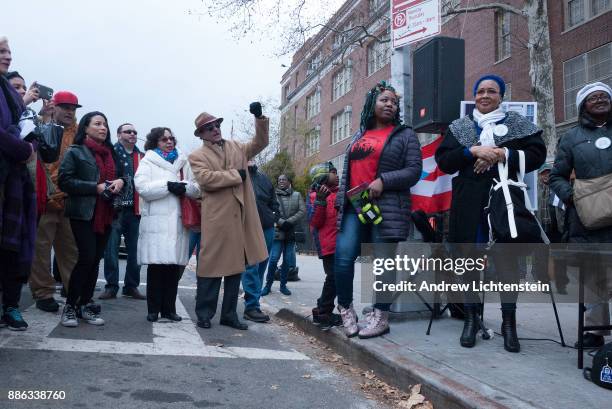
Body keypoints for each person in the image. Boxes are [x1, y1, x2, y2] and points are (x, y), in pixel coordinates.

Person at [435, 75, 546, 352]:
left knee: (507, 261)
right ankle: (471, 319)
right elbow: (444, 162)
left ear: (501, 96)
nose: (485, 95)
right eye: (481, 91)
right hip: (469, 202)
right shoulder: (460, 127)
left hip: (504, 199)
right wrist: (472, 151)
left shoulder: (516, 124)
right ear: (475, 96)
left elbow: (537, 154)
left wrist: (500, 154)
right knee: (470, 261)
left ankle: (509, 324)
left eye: (492, 91)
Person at [334, 81, 422, 339]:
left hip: (387, 207)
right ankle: (346, 309)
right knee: (343, 258)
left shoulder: (405, 135)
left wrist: (384, 181)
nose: (389, 105)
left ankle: (381, 316)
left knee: (383, 264)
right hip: (354, 205)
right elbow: (347, 173)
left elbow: (414, 171)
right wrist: (341, 199)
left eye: (393, 102)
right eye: (384, 99)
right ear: (372, 103)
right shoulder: (359, 134)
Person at [188, 102, 268, 330]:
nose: (215, 129)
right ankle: (204, 313)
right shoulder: (197, 155)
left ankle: (230, 315)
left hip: (241, 217)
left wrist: (260, 118)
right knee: (210, 267)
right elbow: (206, 179)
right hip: (217, 218)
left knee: (235, 269)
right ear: (201, 134)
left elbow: (261, 142)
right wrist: (236, 175)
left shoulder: (236, 147)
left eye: (216, 125)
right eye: (209, 127)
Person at [550, 81, 612, 349]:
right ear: (582, 106)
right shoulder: (571, 138)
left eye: (604, 96)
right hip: (589, 220)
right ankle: (595, 332)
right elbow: (556, 176)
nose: (599, 100)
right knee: (593, 278)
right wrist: (573, 198)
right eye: (593, 97)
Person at [58, 111, 125, 327]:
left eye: (105, 124)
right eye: (97, 124)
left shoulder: (111, 153)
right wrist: (93, 188)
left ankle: (84, 305)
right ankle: (70, 306)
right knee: (86, 257)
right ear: (85, 128)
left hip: (107, 213)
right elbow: (65, 181)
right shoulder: (76, 152)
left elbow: (124, 176)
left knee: (95, 260)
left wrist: (121, 182)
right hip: (83, 213)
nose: (103, 128)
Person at [134, 127, 199, 322]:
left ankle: (169, 309)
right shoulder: (148, 161)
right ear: (156, 142)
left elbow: (196, 188)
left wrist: (184, 188)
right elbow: (143, 188)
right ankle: (153, 309)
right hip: (157, 221)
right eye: (164, 139)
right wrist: (167, 186)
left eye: (171, 138)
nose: (169, 142)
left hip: (178, 221)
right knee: (156, 268)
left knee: (173, 269)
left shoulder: (183, 161)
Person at [28, 91, 82, 313]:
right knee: (40, 250)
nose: (69, 112)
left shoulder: (80, 134)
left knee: (71, 250)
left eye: (73, 108)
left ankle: (75, 290)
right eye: (65, 107)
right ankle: (43, 292)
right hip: (44, 198)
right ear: (54, 107)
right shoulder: (38, 127)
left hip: (70, 200)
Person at [0, 36, 37, 331]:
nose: (7, 57)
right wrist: (22, 147)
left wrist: (29, 139)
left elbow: (22, 126)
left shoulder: (10, 96)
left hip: (15, 181)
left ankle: (10, 305)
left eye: (9, 52)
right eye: (1, 51)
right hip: (8, 169)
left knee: (12, 247)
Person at [100, 123, 146, 300]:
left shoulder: (142, 156)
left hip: (136, 210)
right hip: (114, 208)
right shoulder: (109, 152)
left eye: (135, 131)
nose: (133, 134)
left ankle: (131, 286)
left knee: (136, 251)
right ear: (119, 135)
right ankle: (111, 286)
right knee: (111, 249)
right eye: (128, 131)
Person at [241, 159, 278, 323]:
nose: (250, 159)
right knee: (251, 266)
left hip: (266, 227)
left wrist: (274, 216)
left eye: (252, 156)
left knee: (261, 265)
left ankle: (253, 302)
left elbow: (274, 202)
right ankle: (252, 306)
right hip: (247, 227)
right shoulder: (237, 176)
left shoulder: (264, 178)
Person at [307, 162, 341, 328]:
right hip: (327, 244)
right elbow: (315, 222)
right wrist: (320, 201)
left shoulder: (340, 192)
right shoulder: (314, 196)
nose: (338, 175)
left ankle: (322, 308)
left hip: (340, 242)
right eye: (333, 172)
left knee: (338, 277)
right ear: (324, 177)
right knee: (333, 277)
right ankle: (323, 312)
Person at [261, 174, 305, 296]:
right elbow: (269, 210)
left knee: (287, 260)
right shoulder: (273, 195)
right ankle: (267, 285)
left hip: (291, 232)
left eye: (284, 179)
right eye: (279, 179)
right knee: (273, 259)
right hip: (277, 232)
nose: (281, 181)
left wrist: (289, 221)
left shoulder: (297, 195)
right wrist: (280, 222)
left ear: (289, 181)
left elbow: (302, 211)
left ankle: (283, 286)